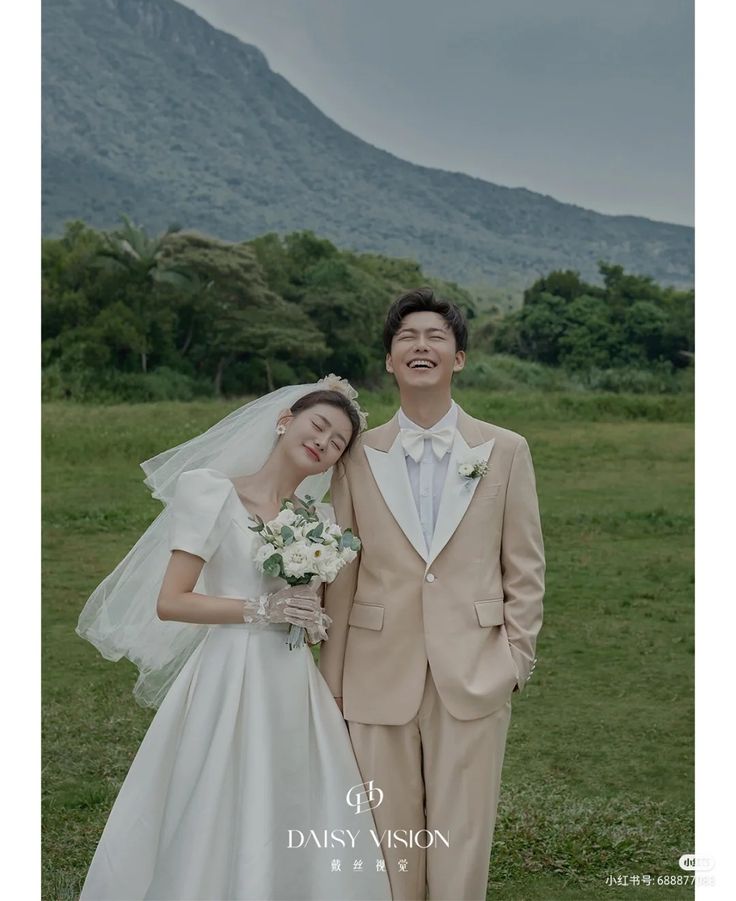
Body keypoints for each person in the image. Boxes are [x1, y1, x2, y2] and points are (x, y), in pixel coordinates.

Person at [76, 378, 392, 901]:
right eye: (319, 426)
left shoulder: (319, 523)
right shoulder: (213, 492)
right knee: (214, 793)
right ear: (286, 419)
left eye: (337, 444)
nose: (324, 443)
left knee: (292, 791)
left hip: (290, 679)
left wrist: (309, 619)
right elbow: (171, 600)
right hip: (227, 670)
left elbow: (307, 604)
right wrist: (261, 608)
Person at [319, 289, 546, 901]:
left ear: (459, 358)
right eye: (407, 338)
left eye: (435, 336)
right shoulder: (356, 455)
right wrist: (333, 680)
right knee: (384, 836)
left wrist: (514, 662)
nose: (421, 346)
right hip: (374, 673)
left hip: (474, 671)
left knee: (463, 833)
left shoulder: (505, 449)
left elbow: (524, 568)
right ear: (390, 361)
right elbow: (340, 573)